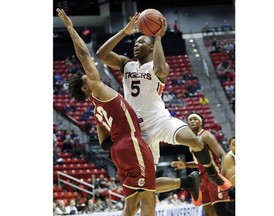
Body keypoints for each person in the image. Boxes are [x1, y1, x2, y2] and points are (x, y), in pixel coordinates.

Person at [56, 8, 201, 215]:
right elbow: (84, 54)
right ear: (86, 88)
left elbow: (104, 142)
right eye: (85, 78)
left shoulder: (97, 110)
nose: (89, 75)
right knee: (148, 200)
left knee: (131, 205)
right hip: (131, 142)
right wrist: (70, 27)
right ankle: (186, 181)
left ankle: (186, 181)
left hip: (120, 149)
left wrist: (119, 144)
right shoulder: (97, 88)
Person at [96, 11, 232, 200]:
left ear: (151, 48)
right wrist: (123, 33)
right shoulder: (126, 64)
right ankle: (187, 182)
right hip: (137, 131)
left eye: (142, 42)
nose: (136, 45)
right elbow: (100, 54)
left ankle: (213, 174)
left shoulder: (159, 67)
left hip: (159, 119)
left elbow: (160, 69)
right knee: (145, 187)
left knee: (194, 141)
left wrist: (158, 38)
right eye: (135, 43)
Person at [171, 112, 234, 216]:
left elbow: (223, 155)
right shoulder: (192, 140)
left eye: (195, 119)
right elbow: (200, 162)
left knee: (221, 211)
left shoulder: (206, 135)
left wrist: (221, 178)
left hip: (213, 174)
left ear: (201, 123)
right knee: (208, 212)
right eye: (190, 120)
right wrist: (185, 164)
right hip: (202, 178)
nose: (192, 121)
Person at [222, 136, 236, 214]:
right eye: (234, 144)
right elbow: (234, 180)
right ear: (230, 147)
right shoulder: (229, 158)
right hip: (233, 190)